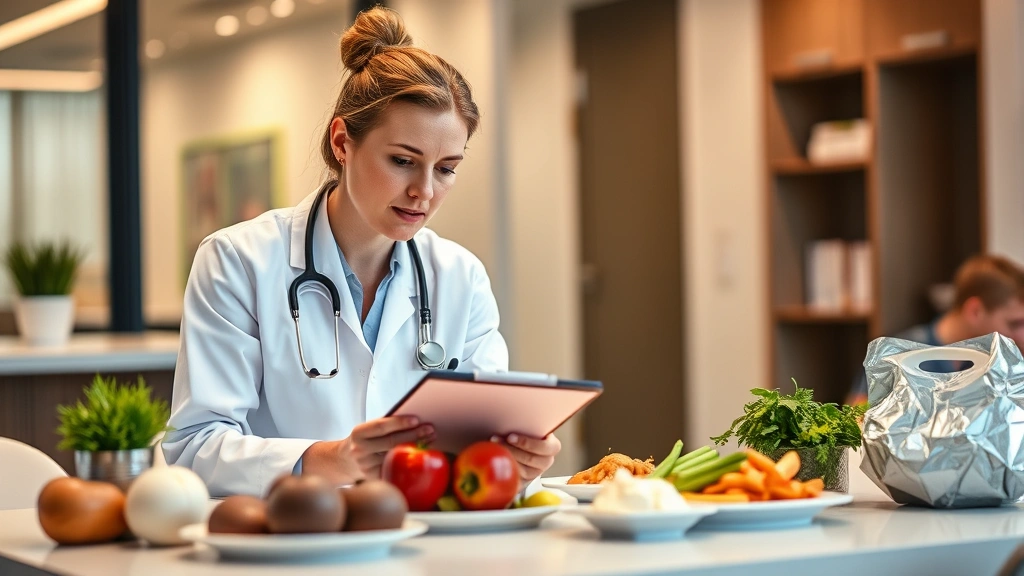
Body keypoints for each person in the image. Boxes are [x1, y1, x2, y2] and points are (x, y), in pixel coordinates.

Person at [162, 7, 561, 497]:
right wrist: (324, 460)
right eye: (402, 161)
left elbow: (481, 448)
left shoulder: (460, 277)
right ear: (342, 142)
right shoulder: (237, 261)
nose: (424, 192)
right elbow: (195, 448)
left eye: (447, 168)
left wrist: (516, 460)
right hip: (291, 547)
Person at [847, 254, 1024, 405]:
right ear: (975, 311)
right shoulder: (896, 355)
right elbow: (855, 424)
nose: (1021, 335)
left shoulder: (1000, 363)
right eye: (1014, 324)